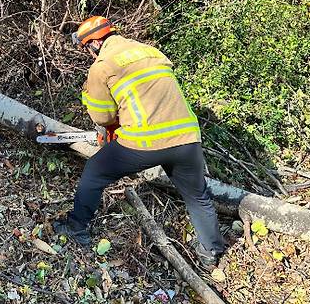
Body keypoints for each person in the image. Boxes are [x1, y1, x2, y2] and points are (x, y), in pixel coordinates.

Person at [53, 16, 225, 268]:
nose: (89, 53)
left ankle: (77, 226)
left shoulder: (102, 66)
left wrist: (90, 98)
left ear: (96, 43)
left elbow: (103, 116)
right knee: (197, 196)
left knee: (94, 171)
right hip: (187, 138)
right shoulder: (151, 52)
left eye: (87, 48)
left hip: (144, 142)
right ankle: (211, 253)